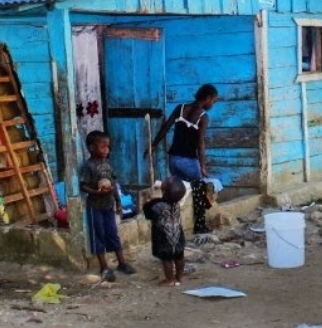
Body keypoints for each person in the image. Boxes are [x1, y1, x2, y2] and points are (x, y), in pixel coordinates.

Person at [149, 84, 219, 234]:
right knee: (199, 191)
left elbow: (165, 127)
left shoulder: (180, 108)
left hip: (174, 159)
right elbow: (200, 143)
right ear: (207, 98)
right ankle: (199, 225)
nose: (213, 105)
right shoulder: (203, 117)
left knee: (176, 192)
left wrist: (154, 145)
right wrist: (203, 166)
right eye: (213, 101)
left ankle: (172, 224)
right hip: (189, 161)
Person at [79, 130, 137, 282]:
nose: (106, 150)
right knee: (99, 235)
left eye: (107, 147)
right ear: (92, 148)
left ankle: (122, 263)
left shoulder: (108, 164)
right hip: (95, 206)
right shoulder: (88, 166)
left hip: (108, 205)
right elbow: (83, 186)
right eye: (102, 147)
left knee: (112, 233)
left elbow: (113, 184)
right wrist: (95, 192)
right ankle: (104, 267)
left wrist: (118, 202)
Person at [144, 176, 187, 286]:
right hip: (178, 234)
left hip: (163, 236)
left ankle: (170, 280)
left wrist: (147, 202)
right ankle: (180, 277)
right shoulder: (176, 203)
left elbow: (148, 214)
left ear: (164, 190)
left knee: (166, 259)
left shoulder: (157, 205)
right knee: (179, 256)